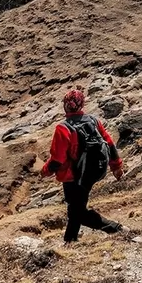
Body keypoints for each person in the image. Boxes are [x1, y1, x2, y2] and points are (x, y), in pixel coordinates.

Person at [41, 89, 126, 243]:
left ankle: (116, 229)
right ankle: (70, 242)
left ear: (65, 106)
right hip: (92, 172)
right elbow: (109, 143)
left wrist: (45, 171)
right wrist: (116, 166)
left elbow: (57, 160)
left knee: (78, 213)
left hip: (73, 177)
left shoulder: (63, 128)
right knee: (76, 209)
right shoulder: (93, 120)